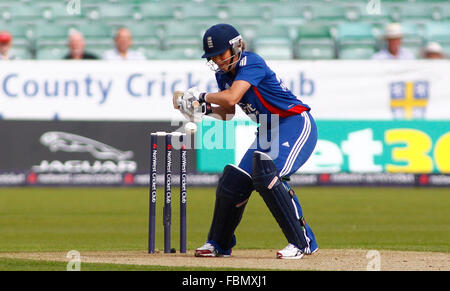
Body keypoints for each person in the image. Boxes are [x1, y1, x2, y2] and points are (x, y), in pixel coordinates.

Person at [175, 23, 318, 259]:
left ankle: (303, 243)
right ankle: (218, 244)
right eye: (213, 57)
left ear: (236, 47)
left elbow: (232, 97)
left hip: (294, 123)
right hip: (267, 130)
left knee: (269, 176)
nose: (219, 61)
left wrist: (200, 96)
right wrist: (202, 109)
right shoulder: (222, 75)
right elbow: (228, 111)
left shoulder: (251, 62)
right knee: (234, 181)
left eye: (221, 54)